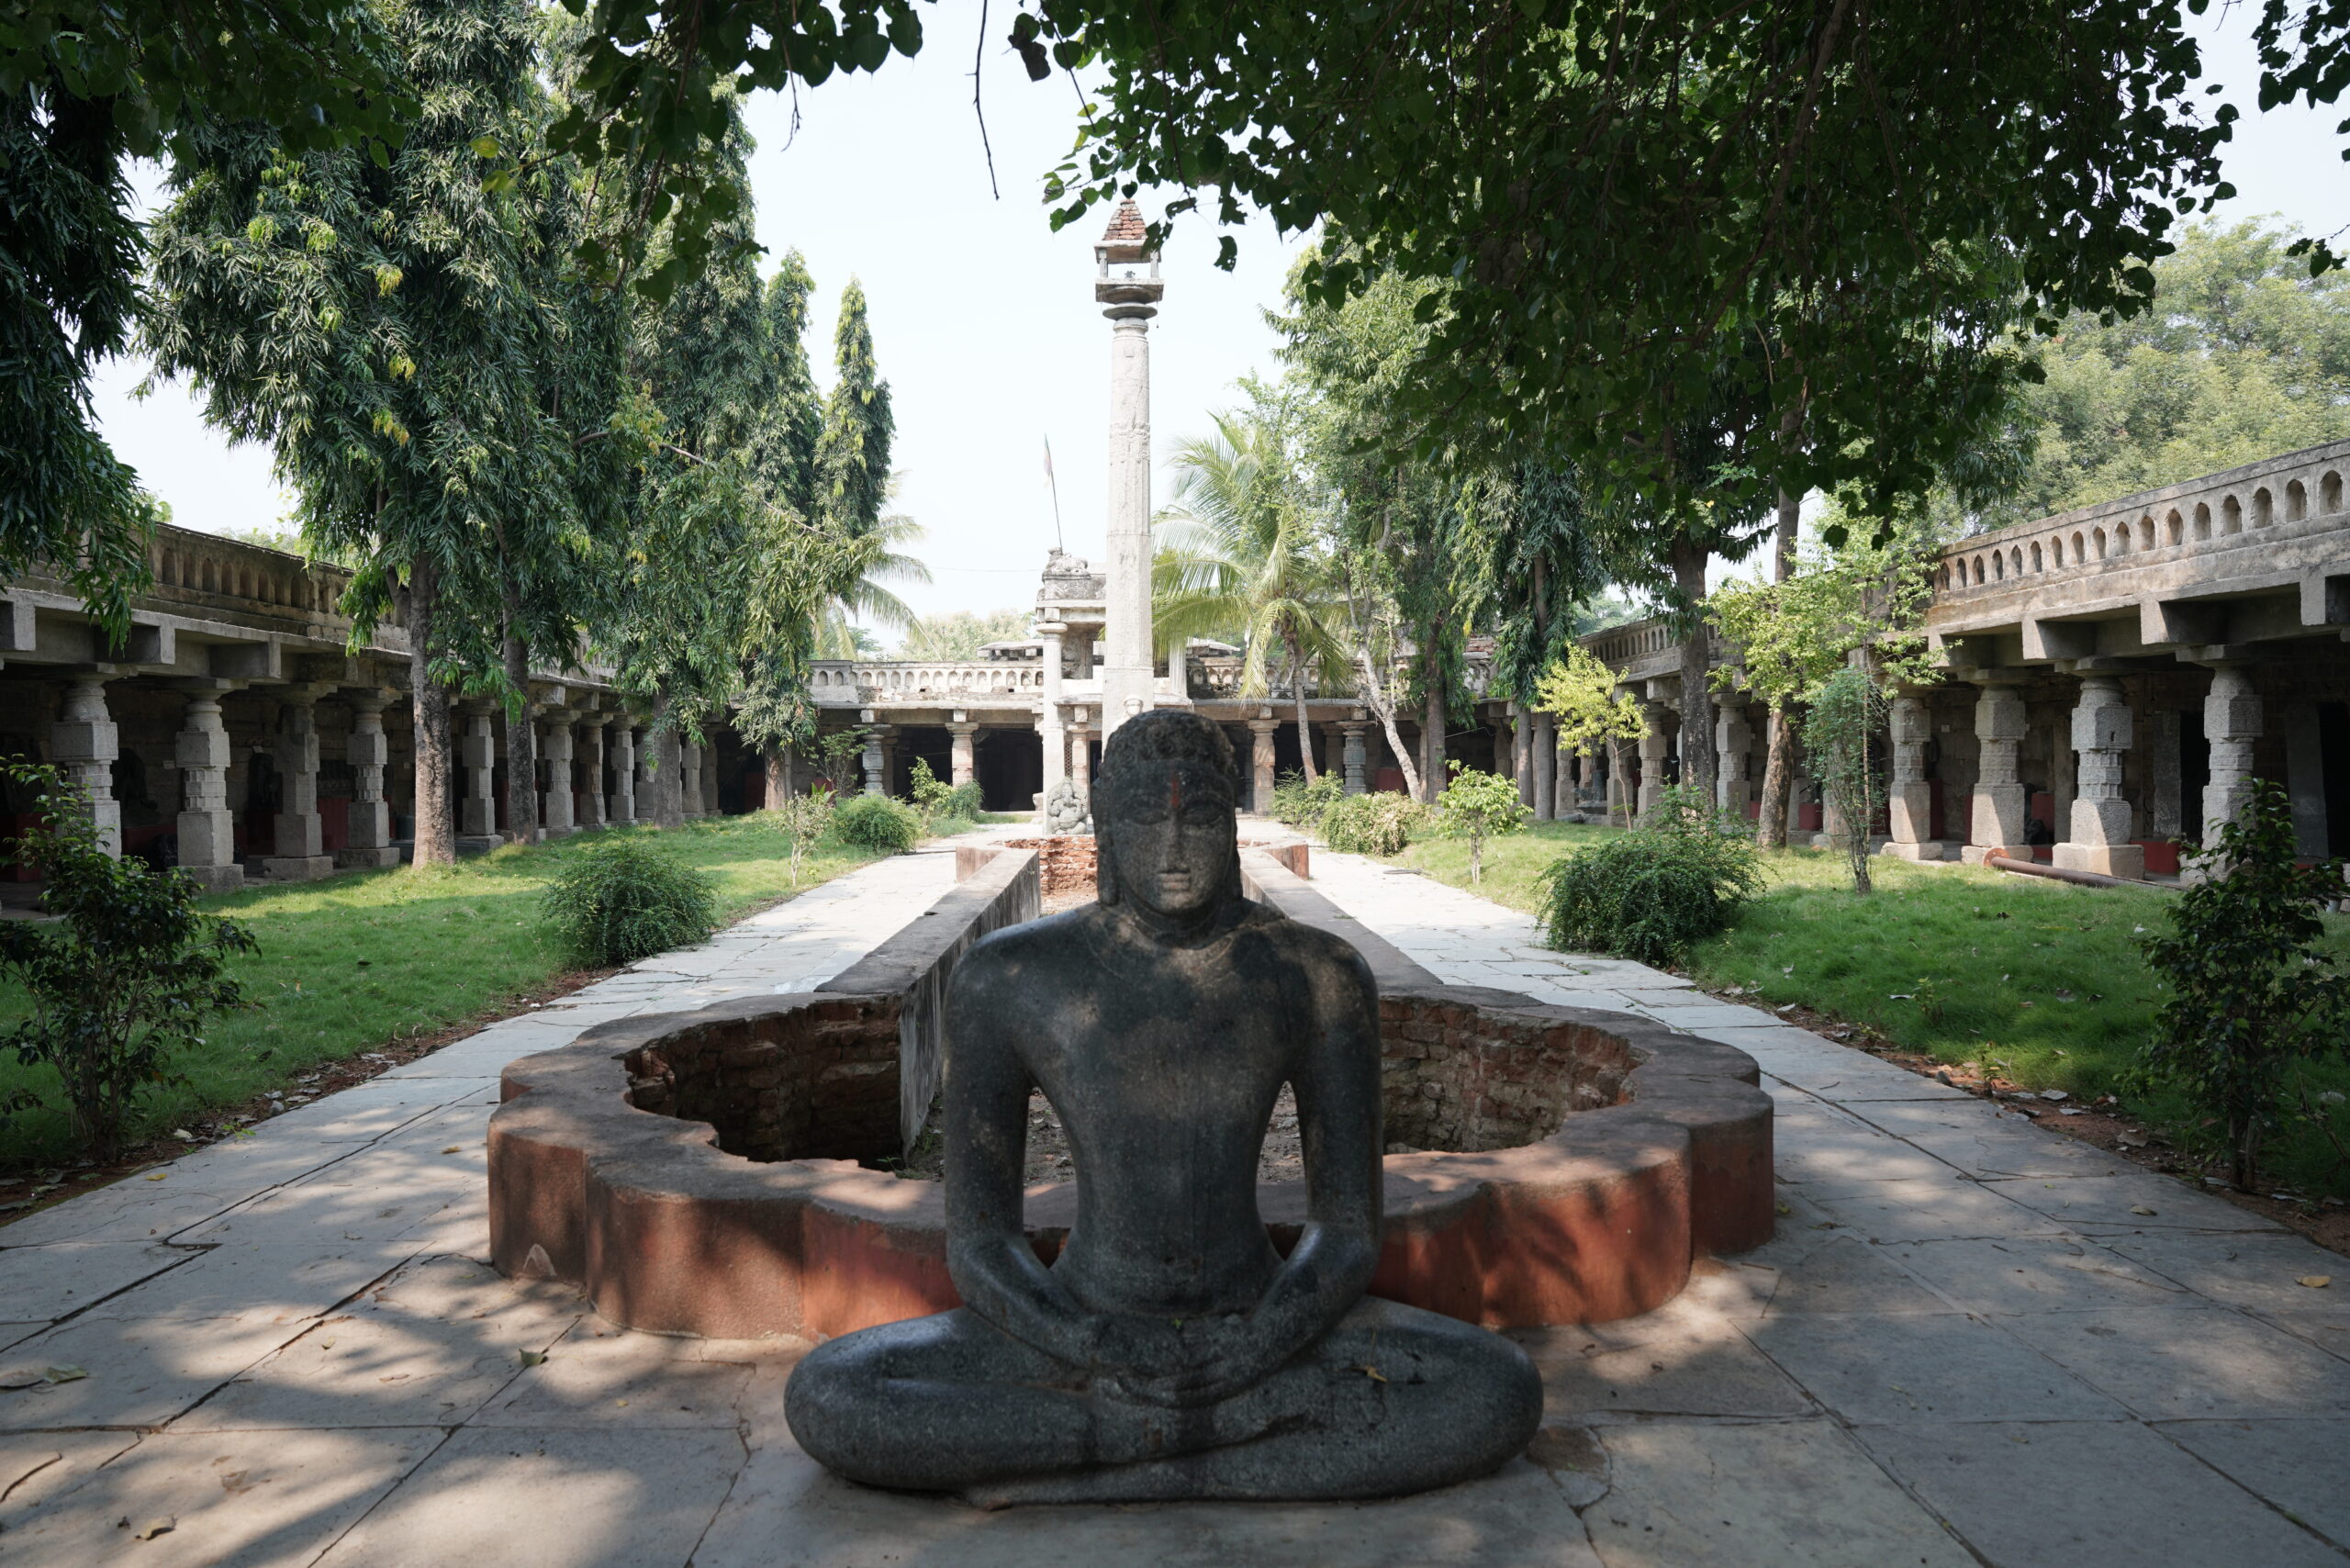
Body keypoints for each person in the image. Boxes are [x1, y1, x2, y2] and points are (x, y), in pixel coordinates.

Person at [785, 710, 1541, 1504]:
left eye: (1202, 818)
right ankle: (1190, 1442)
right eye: (1147, 818)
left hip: (1256, 1318)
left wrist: (1255, 1348)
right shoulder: (1011, 979)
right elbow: (980, 1246)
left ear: (1235, 825)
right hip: (1083, 1320)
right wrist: (1091, 1344)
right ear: (1106, 829)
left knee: (1502, 1389)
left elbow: (1346, 1231)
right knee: (830, 1394)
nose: (1175, 847)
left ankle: (1097, 1465)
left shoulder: (1314, 975)